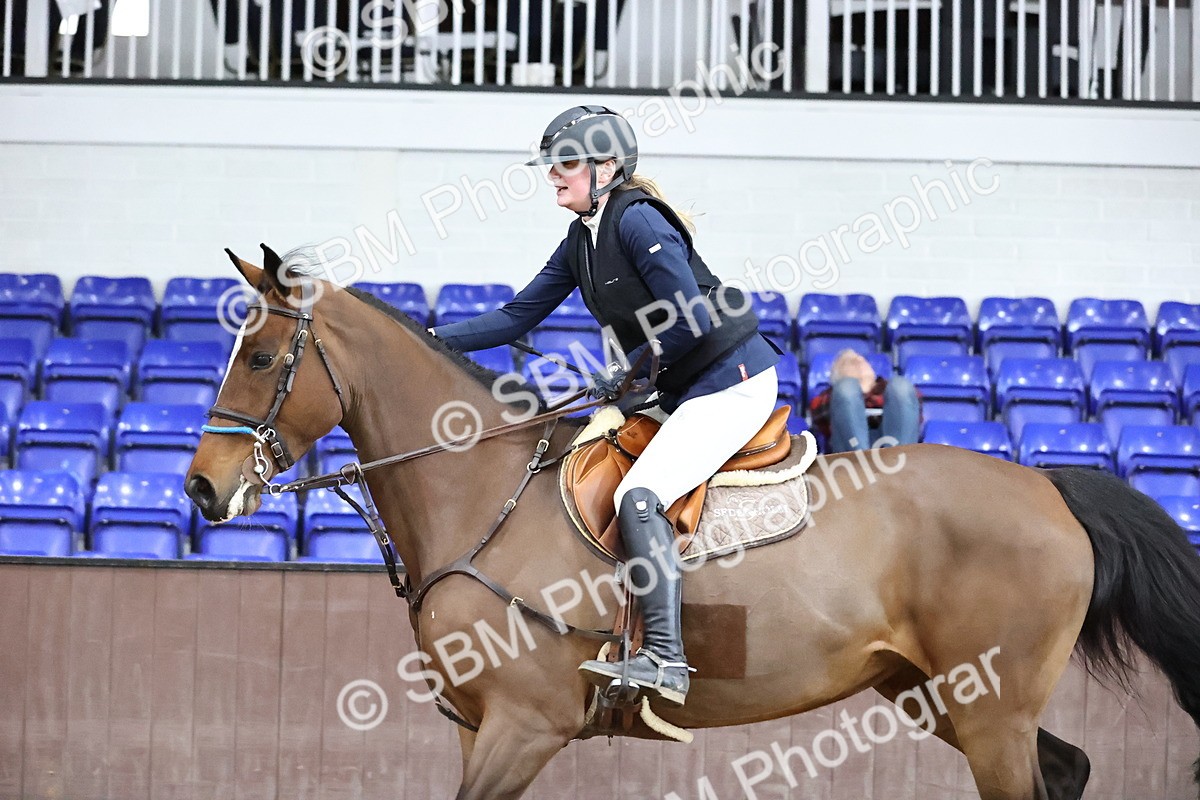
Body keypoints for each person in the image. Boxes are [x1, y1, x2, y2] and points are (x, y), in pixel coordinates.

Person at [430, 105, 782, 707]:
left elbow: (691, 319)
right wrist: (431, 341)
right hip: (681, 388)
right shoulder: (580, 240)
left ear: (606, 168)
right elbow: (517, 316)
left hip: (730, 383)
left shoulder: (638, 221)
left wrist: (628, 369)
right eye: (552, 165)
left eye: (565, 164)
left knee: (637, 497)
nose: (553, 176)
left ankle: (666, 659)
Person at [809, 349, 920, 453]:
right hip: (849, 458)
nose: (859, 362)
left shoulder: (890, 388)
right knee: (847, 388)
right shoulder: (831, 394)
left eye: (862, 360)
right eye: (850, 362)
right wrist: (849, 388)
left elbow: (913, 410)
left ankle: (897, 462)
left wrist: (866, 392)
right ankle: (861, 463)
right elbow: (819, 414)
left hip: (897, 457)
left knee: (900, 385)